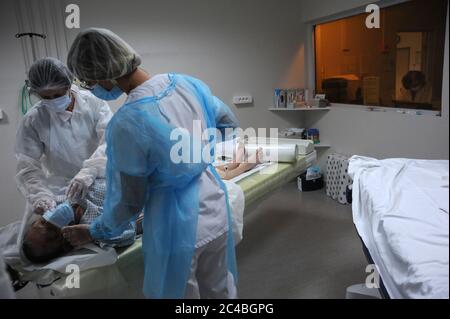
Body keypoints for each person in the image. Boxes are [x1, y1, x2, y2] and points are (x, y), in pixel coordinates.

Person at [64, 28, 240, 299]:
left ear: (104, 75)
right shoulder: (185, 83)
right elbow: (228, 124)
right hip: (216, 206)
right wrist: (197, 155)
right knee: (221, 292)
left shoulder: (128, 121)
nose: (93, 88)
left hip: (176, 229)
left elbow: (129, 201)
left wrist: (96, 230)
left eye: (90, 81)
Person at [15, 57, 113, 219]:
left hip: (100, 182)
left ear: (68, 86)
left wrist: (90, 171)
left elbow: (110, 141)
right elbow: (26, 165)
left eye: (58, 94)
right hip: (61, 191)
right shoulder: (34, 119)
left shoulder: (94, 103)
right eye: (46, 97)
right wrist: (40, 195)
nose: (53, 100)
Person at [22, 178, 137, 264]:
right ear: (66, 242)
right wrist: (92, 232)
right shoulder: (91, 224)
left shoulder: (58, 199)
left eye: (42, 222)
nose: (50, 220)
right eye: (52, 231)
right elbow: (129, 231)